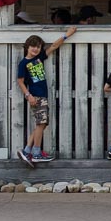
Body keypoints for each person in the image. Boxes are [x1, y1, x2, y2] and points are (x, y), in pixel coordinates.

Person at [16, 26, 77, 165]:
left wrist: (67, 35)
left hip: (42, 96)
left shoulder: (39, 58)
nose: (35, 49)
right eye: (33, 46)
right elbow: (20, 81)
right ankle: (36, 153)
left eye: (38, 47)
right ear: (27, 47)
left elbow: (54, 46)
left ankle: (26, 151)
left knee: (41, 125)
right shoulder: (24, 63)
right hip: (36, 96)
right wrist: (28, 95)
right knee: (41, 124)